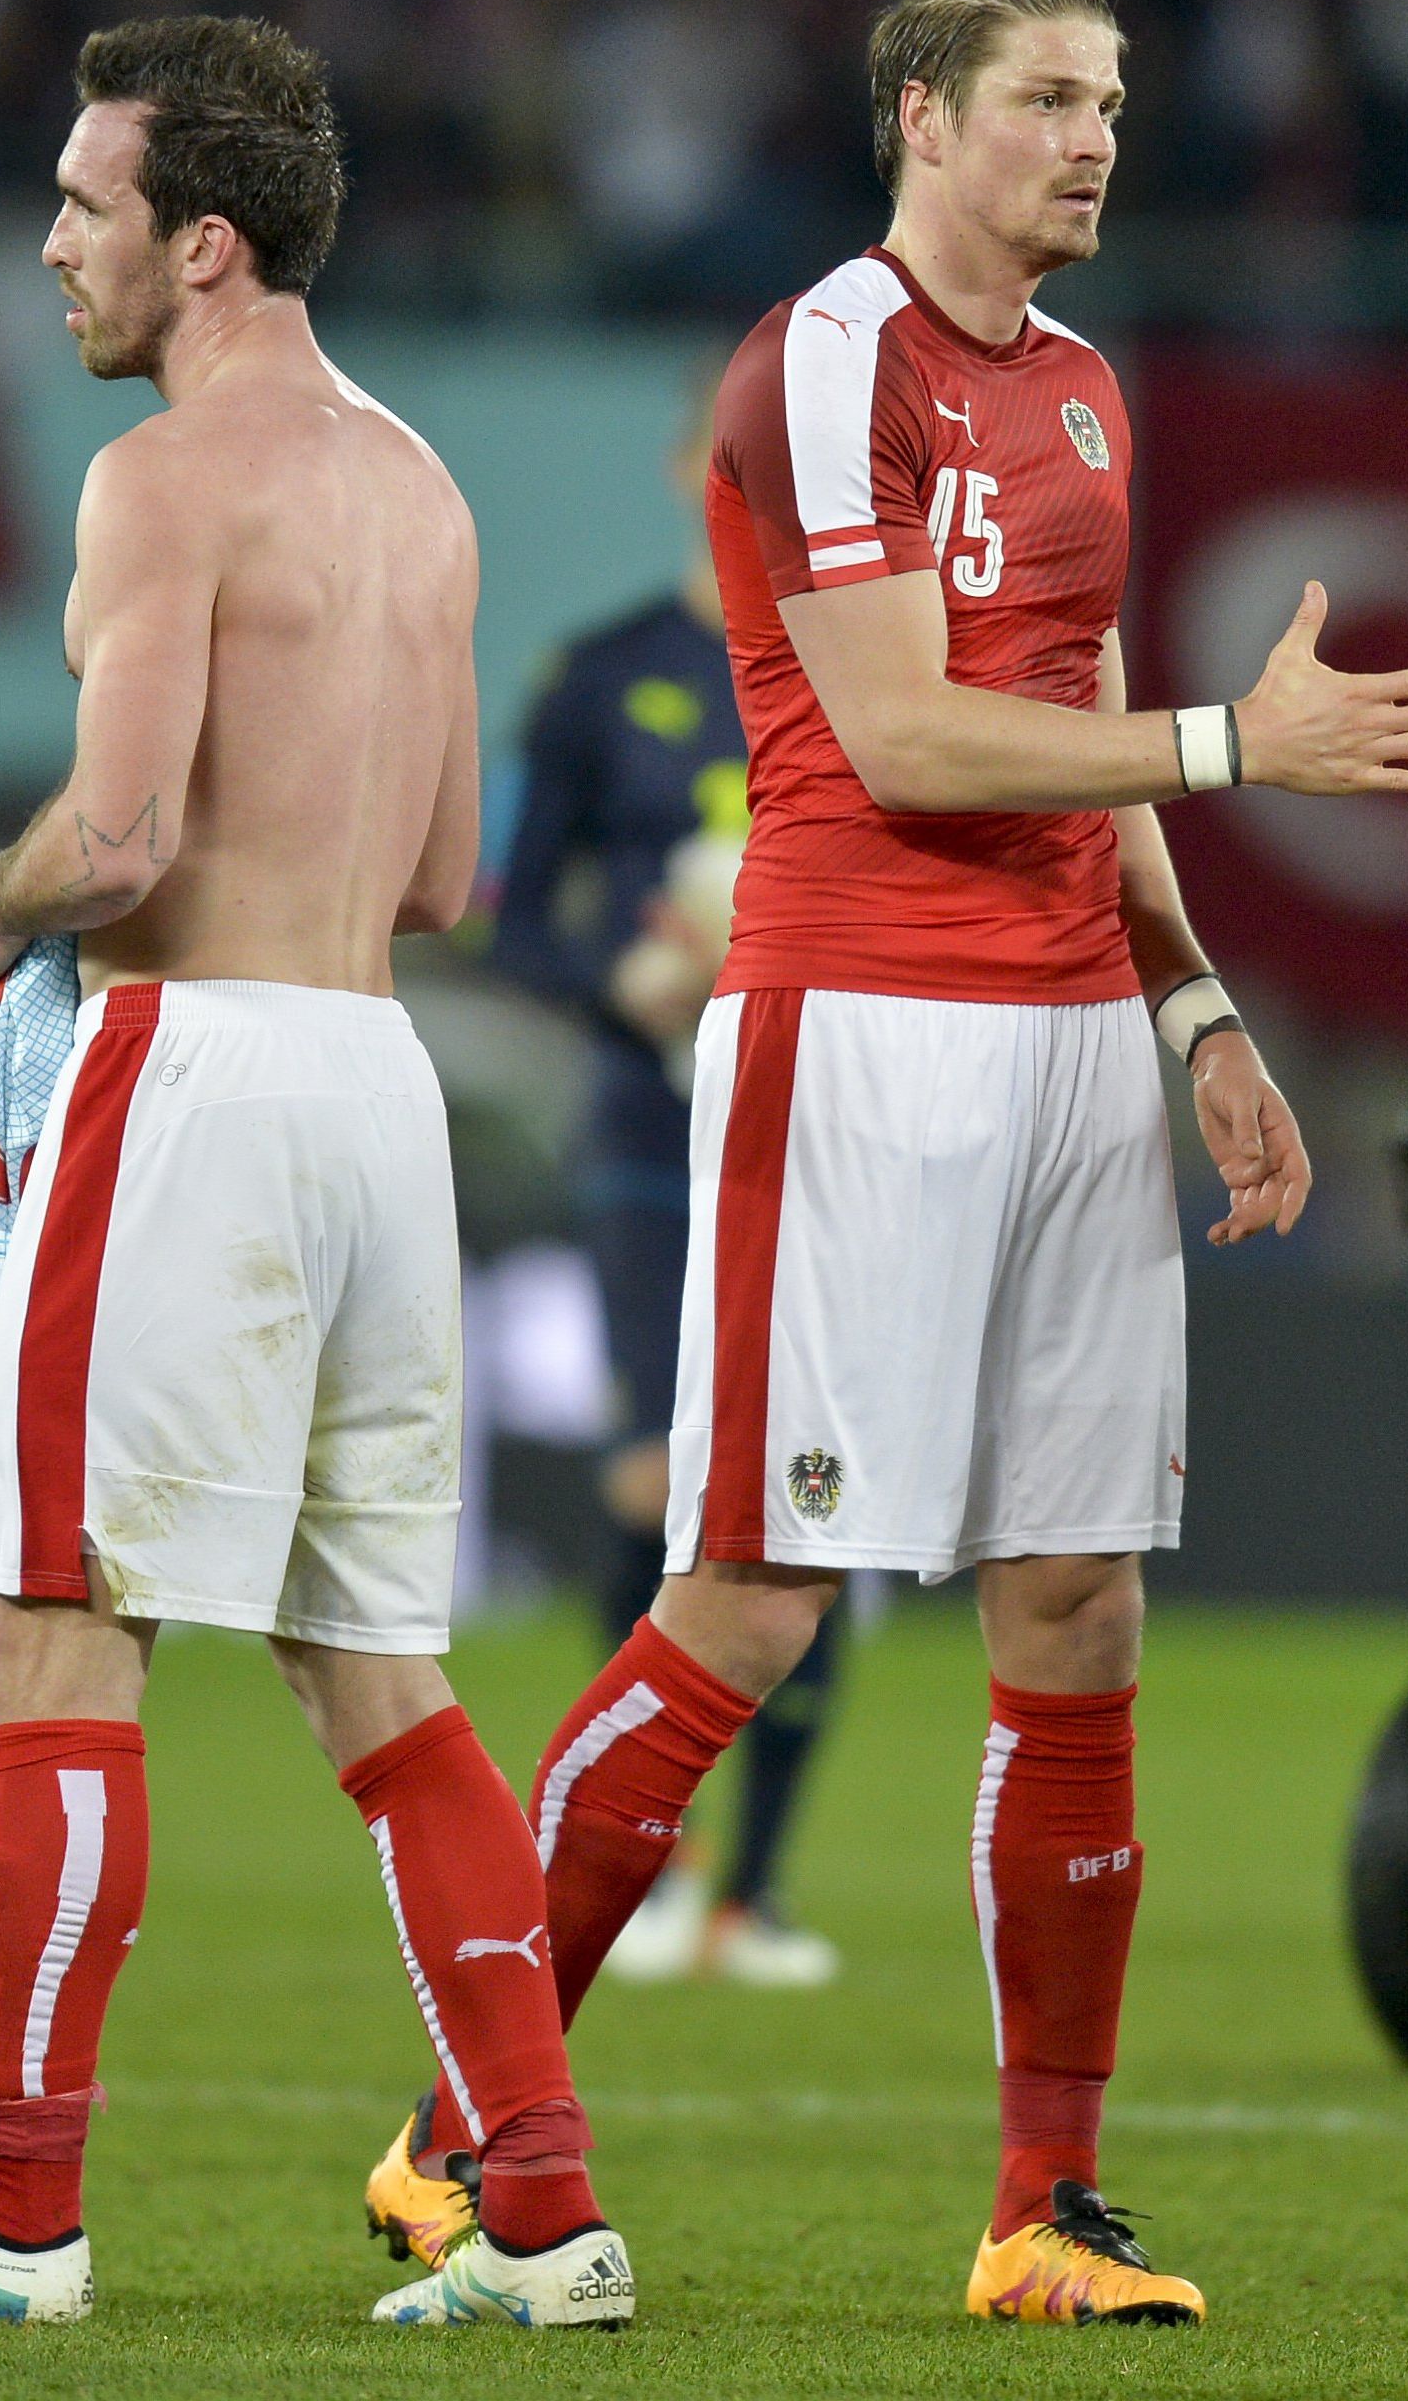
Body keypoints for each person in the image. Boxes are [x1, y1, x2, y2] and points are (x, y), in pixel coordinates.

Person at [364, 0, 1408, 2328]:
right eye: (1050, 102)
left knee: (1079, 1610)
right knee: (745, 1602)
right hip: (852, 1031)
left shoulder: (1088, 386)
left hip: (1079, 1036)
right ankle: (462, 2128)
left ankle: (1041, 2217)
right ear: (925, 118)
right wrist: (1233, 750)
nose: (1093, 144)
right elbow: (903, 741)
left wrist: (1195, 1003)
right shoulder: (824, 356)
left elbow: (1074, 703)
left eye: (1108, 104)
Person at [0, 16, 635, 2335]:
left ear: (200, 242)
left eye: (81, 207)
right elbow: (442, 875)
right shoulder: (425, 487)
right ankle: (544, 2222)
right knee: (382, 1673)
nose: (47, 247)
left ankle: (14, 2226)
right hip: (375, 1082)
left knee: (57, 1634)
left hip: (188, 1086)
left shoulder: (161, 485)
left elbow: (120, 841)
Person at [486, 408, 842, 1992]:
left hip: (823, 1128)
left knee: (813, 1509)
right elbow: (509, 916)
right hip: (648, 1125)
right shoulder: (598, 673)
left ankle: (753, 1899)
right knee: (653, 1481)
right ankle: (657, 1871)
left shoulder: (866, 662)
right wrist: (618, 981)